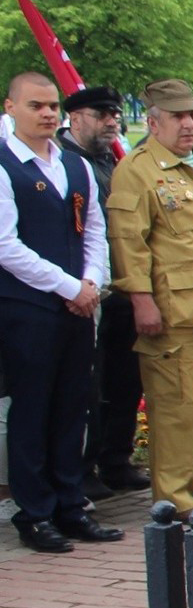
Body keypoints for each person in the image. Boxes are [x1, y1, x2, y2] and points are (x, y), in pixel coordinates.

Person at [106, 78, 193, 516]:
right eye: (177, 117)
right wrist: (140, 298)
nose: (189, 124)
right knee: (175, 408)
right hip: (173, 311)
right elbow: (129, 240)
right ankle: (175, 496)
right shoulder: (138, 169)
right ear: (152, 122)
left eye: (192, 115)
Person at [0, 71, 118, 550]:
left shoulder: (76, 166)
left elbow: (93, 230)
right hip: (27, 306)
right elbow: (6, 246)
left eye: (52, 106)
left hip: (76, 307)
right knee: (33, 409)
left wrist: (92, 282)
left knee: (73, 407)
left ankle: (71, 504)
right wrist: (70, 285)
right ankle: (35, 513)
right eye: (35, 106)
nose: (47, 114)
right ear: (10, 108)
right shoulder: (6, 165)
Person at [58, 84, 148, 499]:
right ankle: (84, 465)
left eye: (115, 114)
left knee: (125, 380)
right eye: (101, 114)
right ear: (75, 118)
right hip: (83, 289)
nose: (112, 121)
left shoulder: (114, 163)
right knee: (88, 386)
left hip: (123, 286)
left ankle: (116, 458)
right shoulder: (63, 161)